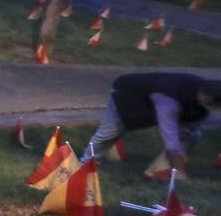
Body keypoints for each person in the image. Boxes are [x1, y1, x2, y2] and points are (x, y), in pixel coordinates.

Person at [82, 73, 221, 170]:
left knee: (193, 135)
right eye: (216, 106)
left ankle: (161, 170)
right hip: (127, 94)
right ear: (208, 99)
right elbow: (169, 134)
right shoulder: (168, 99)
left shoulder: (203, 92)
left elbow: (196, 120)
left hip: (155, 102)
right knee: (111, 131)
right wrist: (176, 165)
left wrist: (187, 132)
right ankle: (85, 164)